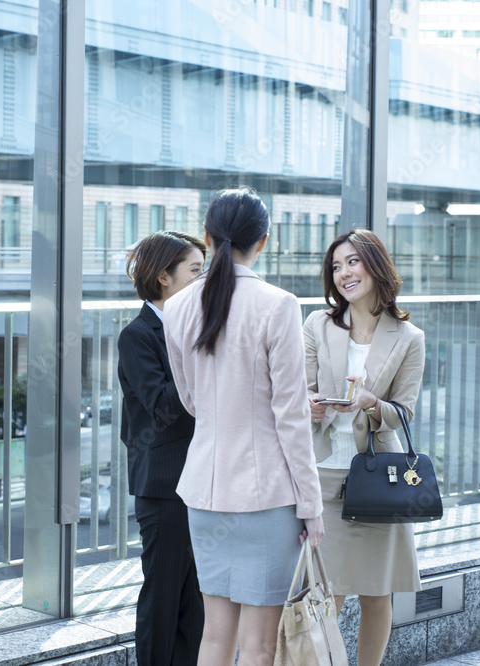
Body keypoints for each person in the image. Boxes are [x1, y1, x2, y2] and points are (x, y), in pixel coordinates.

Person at [163, 187, 324, 666]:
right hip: (266, 497)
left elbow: (191, 400)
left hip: (205, 493)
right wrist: (311, 504)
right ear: (265, 241)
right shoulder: (278, 304)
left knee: (215, 636)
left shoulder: (178, 306)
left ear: (208, 237)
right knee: (259, 645)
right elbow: (291, 416)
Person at [303, 229, 425, 666]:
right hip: (323, 475)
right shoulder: (318, 324)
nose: (343, 273)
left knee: (376, 592)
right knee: (325, 595)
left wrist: (374, 406)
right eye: (336, 266)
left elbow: (404, 413)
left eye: (352, 261)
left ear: (374, 264)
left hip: (376, 479)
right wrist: (310, 404)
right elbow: (300, 390)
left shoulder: (409, 337)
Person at [118, 230, 207, 666]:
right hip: (165, 484)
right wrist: (207, 368)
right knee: (163, 595)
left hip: (204, 477)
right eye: (195, 271)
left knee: (197, 599)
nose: (203, 280)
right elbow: (160, 406)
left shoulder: (196, 328)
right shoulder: (138, 335)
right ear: (163, 277)